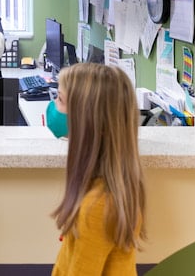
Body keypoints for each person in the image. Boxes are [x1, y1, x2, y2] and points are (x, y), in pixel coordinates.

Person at [50, 63, 147, 276]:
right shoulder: (103, 191)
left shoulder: (97, 207)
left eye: (60, 99)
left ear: (86, 119)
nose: (53, 106)